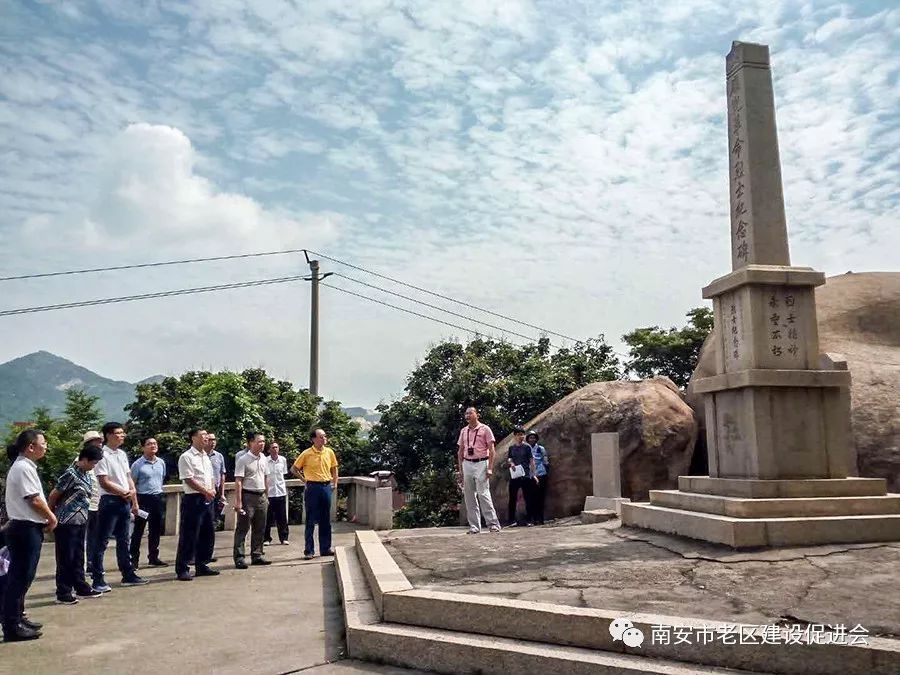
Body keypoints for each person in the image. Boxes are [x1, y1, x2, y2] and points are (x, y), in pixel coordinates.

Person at [2, 430, 56, 642]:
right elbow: (33, 500)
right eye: (43, 443)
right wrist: (51, 517)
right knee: (19, 577)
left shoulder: (25, 466)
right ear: (30, 447)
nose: (46, 446)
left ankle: (17, 617)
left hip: (25, 527)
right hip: (24, 528)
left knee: (23, 576)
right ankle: (11, 625)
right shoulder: (23, 467)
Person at [91, 422, 148, 592]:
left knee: (124, 540)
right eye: (118, 433)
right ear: (108, 435)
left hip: (124, 501)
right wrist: (123, 492)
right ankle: (97, 578)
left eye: (123, 433)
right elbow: (104, 481)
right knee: (102, 541)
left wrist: (133, 499)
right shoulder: (102, 455)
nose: (122, 435)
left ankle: (128, 573)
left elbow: (128, 477)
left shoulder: (122, 454)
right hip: (110, 501)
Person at [47, 443, 104, 604]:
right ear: (84, 459)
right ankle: (63, 591)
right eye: (93, 463)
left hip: (81, 519)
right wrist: (50, 515)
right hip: (66, 520)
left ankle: (81, 586)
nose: (94, 466)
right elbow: (54, 495)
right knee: (66, 557)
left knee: (78, 556)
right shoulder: (70, 474)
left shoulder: (86, 474)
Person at [175, 429, 219, 581]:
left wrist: (212, 489)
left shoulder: (206, 456)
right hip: (194, 499)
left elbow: (211, 476)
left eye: (207, 435)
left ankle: (202, 564)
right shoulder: (186, 457)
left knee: (208, 533)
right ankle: (183, 568)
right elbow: (188, 479)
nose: (206, 438)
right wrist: (205, 491)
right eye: (203, 436)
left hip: (208, 498)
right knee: (189, 534)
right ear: (193, 438)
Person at [291, 429, 338, 560]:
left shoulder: (329, 452)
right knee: (310, 519)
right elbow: (294, 469)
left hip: (326, 486)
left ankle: (326, 548)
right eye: (321, 437)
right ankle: (309, 550)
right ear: (314, 439)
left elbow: (334, 468)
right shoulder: (307, 453)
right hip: (312, 487)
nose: (324, 439)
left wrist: (335, 482)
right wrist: (304, 480)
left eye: (325, 436)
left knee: (325, 519)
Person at [456, 407, 501, 534]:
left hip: (481, 462)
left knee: (483, 494)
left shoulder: (485, 429)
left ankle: (493, 524)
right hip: (467, 463)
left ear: (477, 415)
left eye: (470, 413)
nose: (467, 415)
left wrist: (490, 468)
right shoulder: (464, 431)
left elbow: (492, 450)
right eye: (466, 413)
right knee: (469, 496)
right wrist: (460, 470)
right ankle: (474, 526)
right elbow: (460, 451)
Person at [233, 431, 271, 569]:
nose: (262, 444)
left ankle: (257, 555)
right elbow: (238, 481)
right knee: (243, 528)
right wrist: (238, 501)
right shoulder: (243, 459)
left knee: (260, 527)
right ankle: (239, 557)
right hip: (247, 495)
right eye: (259, 441)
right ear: (250, 443)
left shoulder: (264, 459)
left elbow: (266, 478)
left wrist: (267, 495)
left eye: (263, 441)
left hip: (261, 496)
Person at [129, 437, 168, 569]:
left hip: (157, 498)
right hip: (143, 499)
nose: (153, 446)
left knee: (155, 530)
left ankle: (153, 557)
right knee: (138, 531)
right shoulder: (137, 464)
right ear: (143, 447)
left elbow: (162, 479)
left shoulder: (161, 462)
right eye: (149, 444)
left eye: (155, 443)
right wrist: (134, 503)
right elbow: (132, 484)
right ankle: (133, 559)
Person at [506, 427, 538, 527]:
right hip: (515, 475)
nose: (521, 436)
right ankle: (511, 520)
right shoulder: (511, 448)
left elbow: (532, 461)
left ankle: (529, 520)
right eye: (519, 434)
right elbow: (509, 459)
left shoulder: (527, 447)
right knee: (512, 498)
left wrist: (534, 475)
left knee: (528, 498)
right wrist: (511, 463)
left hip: (526, 475)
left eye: (522, 434)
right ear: (515, 436)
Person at [83, 430, 103, 576]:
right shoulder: (82, 462)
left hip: (97, 504)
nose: (99, 444)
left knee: (94, 537)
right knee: (84, 538)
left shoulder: (99, 459)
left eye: (100, 441)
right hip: (85, 506)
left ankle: (91, 563)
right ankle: (84, 565)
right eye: (96, 441)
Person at [204, 433, 227, 563]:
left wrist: (222, 494)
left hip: (216, 491)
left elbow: (222, 475)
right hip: (204, 492)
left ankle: (208, 553)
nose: (212, 442)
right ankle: (195, 554)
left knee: (212, 524)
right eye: (210, 439)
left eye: (214, 439)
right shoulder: (200, 456)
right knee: (202, 524)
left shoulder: (219, 456)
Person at [264, 441, 289, 546]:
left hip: (280, 492)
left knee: (282, 517)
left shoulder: (283, 460)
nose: (275, 449)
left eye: (276, 447)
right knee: (267, 518)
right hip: (269, 493)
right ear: (269, 450)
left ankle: (284, 538)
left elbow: (283, 474)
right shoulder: (265, 461)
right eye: (272, 447)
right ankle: (266, 538)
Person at [527, 430, 550, 525]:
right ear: (527, 439)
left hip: (541, 474)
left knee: (541, 497)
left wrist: (546, 471)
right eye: (530, 437)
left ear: (536, 439)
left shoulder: (541, 449)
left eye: (534, 437)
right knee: (531, 498)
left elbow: (545, 461)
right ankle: (532, 519)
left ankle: (540, 519)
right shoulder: (526, 449)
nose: (532, 439)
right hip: (530, 475)